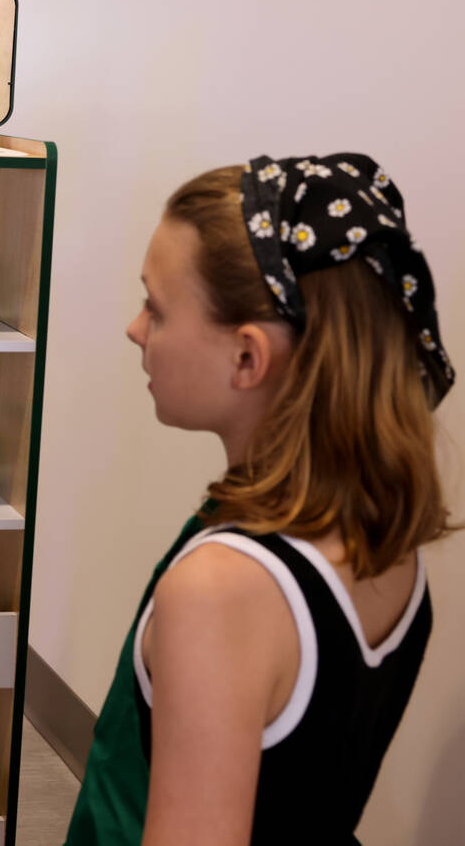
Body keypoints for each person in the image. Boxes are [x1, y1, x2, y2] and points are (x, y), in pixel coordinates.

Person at [65, 154, 454, 846]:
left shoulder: (220, 590)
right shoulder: (384, 540)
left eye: (155, 306)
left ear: (248, 357)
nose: (135, 328)